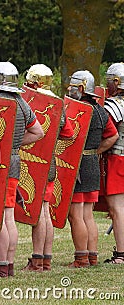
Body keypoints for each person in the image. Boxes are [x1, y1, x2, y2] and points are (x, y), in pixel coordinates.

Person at [0, 62, 44, 277]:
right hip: (14, 161)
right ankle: (9, 264)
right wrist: (15, 145)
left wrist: (7, 145)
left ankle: (1, 266)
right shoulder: (22, 103)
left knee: (0, 215)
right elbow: (38, 132)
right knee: (8, 216)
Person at [21, 64, 74, 272]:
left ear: (34, 81)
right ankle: (46, 259)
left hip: (33, 162)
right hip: (49, 161)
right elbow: (68, 134)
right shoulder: (58, 104)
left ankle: (37, 260)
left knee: (39, 210)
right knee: (45, 210)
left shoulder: (29, 101)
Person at [66, 70, 118, 268]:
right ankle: (92, 256)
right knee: (87, 213)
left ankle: (81, 258)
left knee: (76, 214)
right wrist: (96, 151)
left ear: (81, 88)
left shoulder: (77, 110)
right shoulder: (100, 110)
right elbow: (112, 136)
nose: (69, 89)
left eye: (72, 86)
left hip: (79, 166)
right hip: (92, 165)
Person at [100, 63, 124, 263]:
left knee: (117, 208)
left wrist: (95, 151)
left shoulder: (114, 105)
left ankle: (121, 255)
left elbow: (109, 135)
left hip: (118, 159)